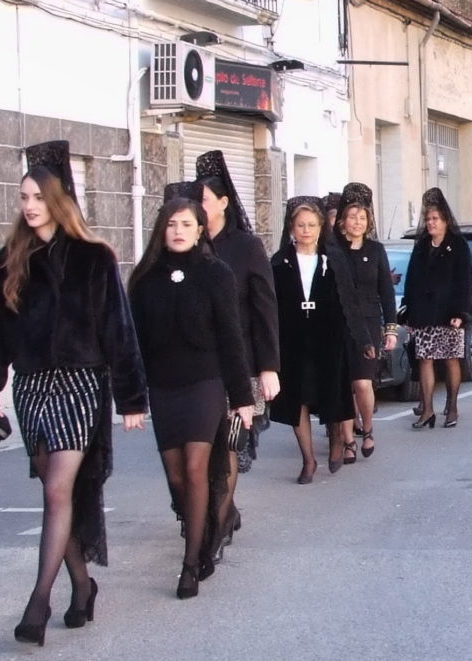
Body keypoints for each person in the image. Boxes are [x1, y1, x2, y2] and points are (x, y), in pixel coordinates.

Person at [0, 141, 148, 644]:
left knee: (56, 490)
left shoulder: (94, 257)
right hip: (31, 386)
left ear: (58, 200)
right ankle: (83, 585)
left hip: (79, 383)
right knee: (55, 493)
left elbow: (119, 330)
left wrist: (131, 399)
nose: (29, 205)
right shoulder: (9, 260)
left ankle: (37, 603)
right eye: (23, 196)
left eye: (38, 197)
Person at [128, 185, 254, 599]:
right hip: (164, 386)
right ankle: (202, 533)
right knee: (177, 476)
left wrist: (242, 398)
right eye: (171, 224)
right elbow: (133, 342)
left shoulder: (215, 274)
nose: (178, 231)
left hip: (205, 382)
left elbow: (232, 339)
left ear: (201, 230)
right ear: (161, 230)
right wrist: (129, 395)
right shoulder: (145, 278)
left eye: (187, 224)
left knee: (198, 467)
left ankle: (189, 563)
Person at [195, 150, 279, 561]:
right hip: (195, 368)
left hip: (240, 365)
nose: (198, 207)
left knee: (227, 446)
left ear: (224, 202)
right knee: (200, 451)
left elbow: (264, 309)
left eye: (205, 199)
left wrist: (269, 367)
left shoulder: (246, 247)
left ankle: (218, 522)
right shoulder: (185, 242)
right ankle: (215, 512)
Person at [270, 197, 373, 481]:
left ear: (320, 228)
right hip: (292, 336)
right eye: (300, 225)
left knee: (332, 392)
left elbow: (349, 302)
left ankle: (337, 441)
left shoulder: (333, 259)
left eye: (312, 225)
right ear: (292, 228)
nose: (306, 230)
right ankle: (308, 459)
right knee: (297, 399)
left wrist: (363, 340)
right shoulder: (279, 262)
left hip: (328, 334)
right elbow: (269, 304)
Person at [333, 182, 397, 458]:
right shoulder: (332, 250)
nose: (357, 222)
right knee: (342, 384)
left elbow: (386, 290)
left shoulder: (376, 250)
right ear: (342, 221)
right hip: (338, 324)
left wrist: (390, 329)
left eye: (362, 218)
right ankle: (348, 441)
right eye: (352, 217)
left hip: (369, 325)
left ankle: (367, 428)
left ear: (368, 221)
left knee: (362, 383)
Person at [402, 188, 472, 428]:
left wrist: (460, 313)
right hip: (424, 312)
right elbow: (411, 279)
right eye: (428, 219)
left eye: (435, 219)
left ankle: (452, 406)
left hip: (449, 313)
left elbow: (464, 281)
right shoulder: (421, 245)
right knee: (425, 359)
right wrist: (408, 311)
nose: (431, 223)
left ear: (445, 221)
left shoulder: (458, 245)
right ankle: (428, 410)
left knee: (451, 359)